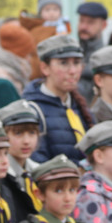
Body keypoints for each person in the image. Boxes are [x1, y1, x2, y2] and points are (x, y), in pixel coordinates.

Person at [23, 35, 93, 164]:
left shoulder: (79, 106)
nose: (72, 71)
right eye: (64, 63)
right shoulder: (32, 110)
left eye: (77, 63)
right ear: (45, 68)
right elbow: (37, 162)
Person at [75, 1, 108, 101]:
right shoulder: (71, 51)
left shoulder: (106, 57)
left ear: (103, 25)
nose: (84, 27)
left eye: (90, 22)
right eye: (81, 21)